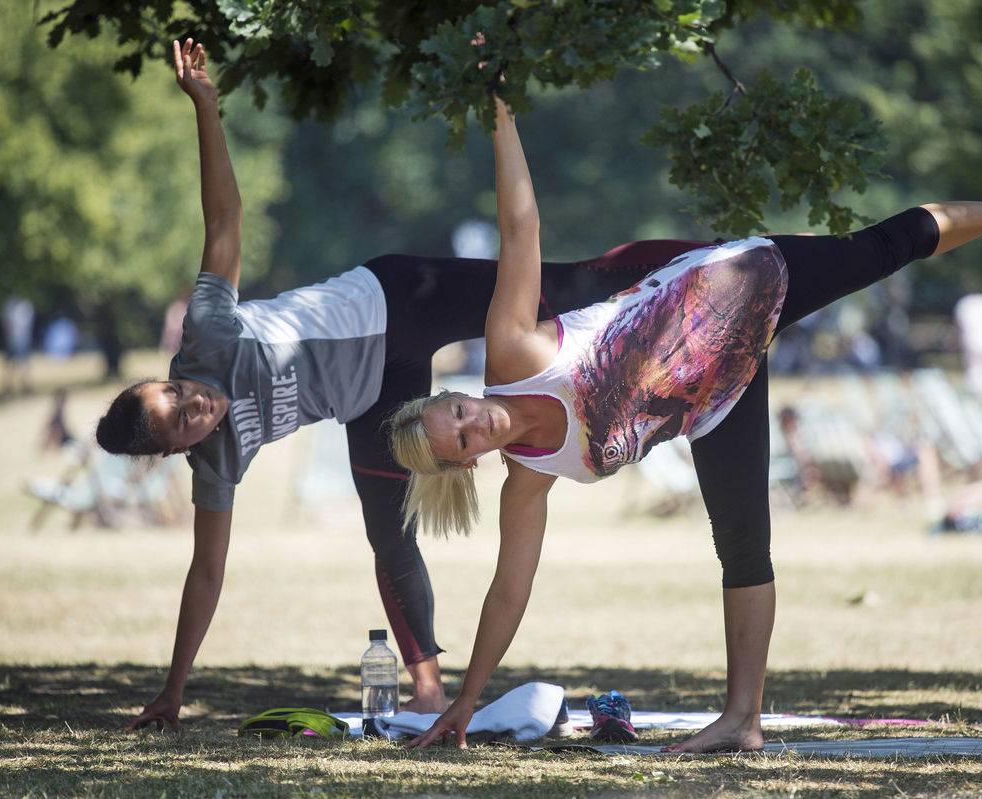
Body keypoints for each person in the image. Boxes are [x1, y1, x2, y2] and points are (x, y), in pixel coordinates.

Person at [390, 96, 982, 752]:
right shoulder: (530, 481)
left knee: (881, 248)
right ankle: (742, 719)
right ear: (465, 462)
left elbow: (521, 225)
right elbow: (510, 591)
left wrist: (498, 110)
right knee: (745, 548)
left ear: (453, 393)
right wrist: (468, 699)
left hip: (737, 283)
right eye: (463, 439)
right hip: (719, 397)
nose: (472, 422)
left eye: (456, 410)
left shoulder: (513, 350)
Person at [95, 40, 707, 731]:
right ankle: (427, 689)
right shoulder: (218, 461)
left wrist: (206, 106)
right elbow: (205, 574)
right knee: (388, 531)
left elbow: (226, 221)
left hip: (395, 301)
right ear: (183, 450)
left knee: (555, 284)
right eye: (182, 422)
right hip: (372, 402)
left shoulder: (207, 335)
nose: (195, 404)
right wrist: (174, 688)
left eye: (175, 393)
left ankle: (702, 263)